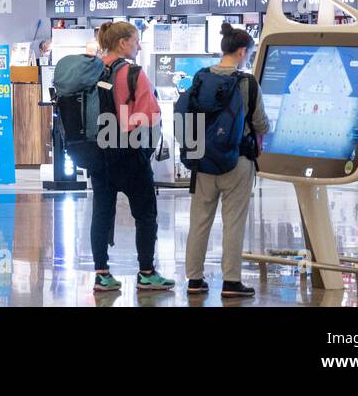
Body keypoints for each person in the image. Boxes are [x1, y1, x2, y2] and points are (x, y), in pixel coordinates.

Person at [183, 23, 268, 298]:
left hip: (203, 161)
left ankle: (194, 279)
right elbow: (261, 124)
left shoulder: (201, 77)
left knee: (199, 221)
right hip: (237, 160)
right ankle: (231, 282)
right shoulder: (247, 83)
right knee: (234, 221)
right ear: (242, 51)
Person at [90, 21, 175, 294]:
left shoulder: (92, 69)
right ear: (124, 43)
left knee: (101, 212)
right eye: (136, 40)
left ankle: (102, 274)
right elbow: (149, 115)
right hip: (128, 152)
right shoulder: (134, 73)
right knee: (146, 213)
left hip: (98, 153)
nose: (138, 46)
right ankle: (146, 273)